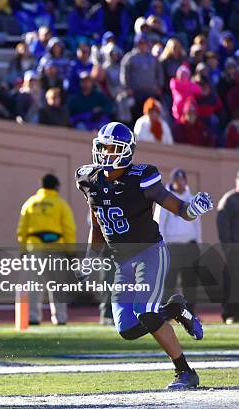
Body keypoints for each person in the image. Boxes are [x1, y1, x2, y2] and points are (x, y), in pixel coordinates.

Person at [75, 122, 213, 389]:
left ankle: (185, 372)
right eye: (102, 147)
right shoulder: (87, 179)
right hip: (121, 262)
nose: (106, 154)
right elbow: (97, 221)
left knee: (145, 311)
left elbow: (177, 207)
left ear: (127, 151)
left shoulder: (142, 176)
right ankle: (174, 309)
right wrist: (92, 256)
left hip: (149, 252)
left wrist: (192, 209)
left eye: (113, 148)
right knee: (126, 329)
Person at [17, 174, 75, 325]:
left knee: (34, 285)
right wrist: (71, 252)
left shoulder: (30, 203)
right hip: (56, 249)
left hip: (34, 248)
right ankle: (60, 318)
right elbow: (69, 229)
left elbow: (21, 229)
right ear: (56, 187)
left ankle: (32, 317)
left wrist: (23, 249)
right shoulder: (61, 204)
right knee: (57, 285)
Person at [154, 169, 201, 313]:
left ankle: (190, 313)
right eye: (176, 180)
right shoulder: (166, 200)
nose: (179, 183)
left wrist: (198, 244)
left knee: (190, 283)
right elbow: (159, 224)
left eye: (182, 180)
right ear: (172, 182)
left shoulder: (192, 199)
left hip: (189, 246)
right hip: (172, 247)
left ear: (186, 181)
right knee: (169, 283)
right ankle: (166, 313)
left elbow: (197, 225)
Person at [216, 171, 239, 324]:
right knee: (232, 283)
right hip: (234, 250)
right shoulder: (229, 200)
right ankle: (229, 314)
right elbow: (223, 226)